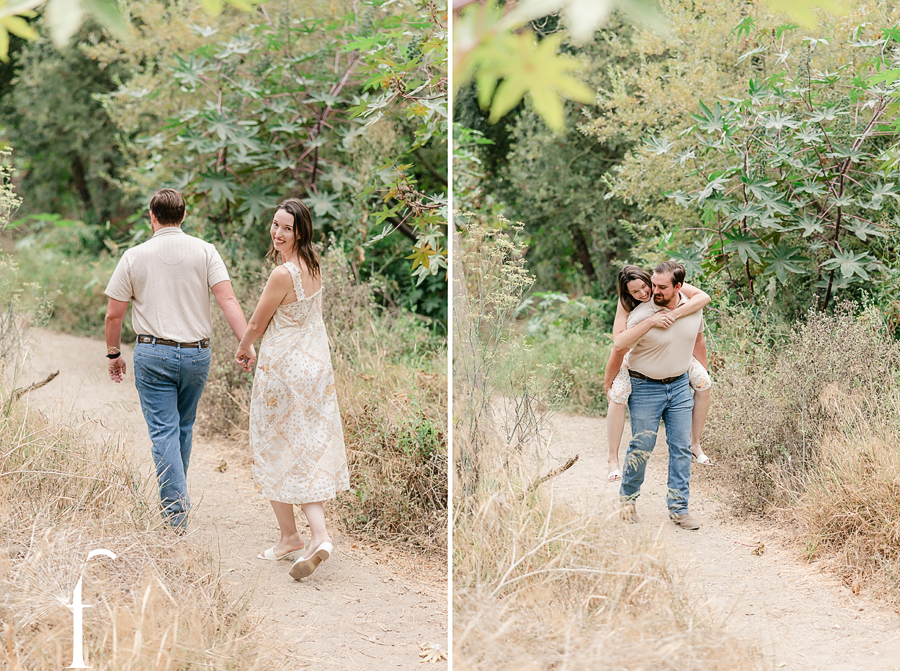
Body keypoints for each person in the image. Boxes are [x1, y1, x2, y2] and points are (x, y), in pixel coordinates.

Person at [105, 188, 253, 531]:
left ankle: (174, 518)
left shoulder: (134, 256)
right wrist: (246, 344)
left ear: (152, 217)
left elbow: (114, 315)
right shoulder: (205, 251)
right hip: (196, 355)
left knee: (163, 433)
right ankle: (178, 504)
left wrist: (114, 354)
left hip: (152, 353)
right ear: (183, 216)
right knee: (182, 428)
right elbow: (227, 300)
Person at [235, 198, 349, 580]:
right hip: (315, 368)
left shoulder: (282, 273)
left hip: (284, 371)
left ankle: (289, 537)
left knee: (273, 447)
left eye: (286, 228)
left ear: (300, 231)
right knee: (301, 450)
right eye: (275, 224)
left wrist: (243, 347)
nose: (278, 233)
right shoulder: (313, 265)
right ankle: (318, 535)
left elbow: (256, 322)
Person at [603, 265, 713, 482]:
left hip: (675, 353)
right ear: (627, 293)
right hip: (636, 355)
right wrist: (608, 382)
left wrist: (675, 313)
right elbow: (618, 346)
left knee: (704, 381)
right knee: (617, 395)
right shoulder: (627, 306)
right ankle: (612, 459)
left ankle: (696, 444)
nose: (644, 293)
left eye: (646, 287)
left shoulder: (661, 287)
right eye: (635, 292)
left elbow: (703, 298)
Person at [618, 260, 704, 529]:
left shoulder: (693, 308)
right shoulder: (642, 313)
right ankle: (628, 500)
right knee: (641, 446)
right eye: (652, 284)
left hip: (679, 386)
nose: (654, 290)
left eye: (661, 286)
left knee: (681, 447)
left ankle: (679, 508)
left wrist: (703, 374)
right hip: (645, 387)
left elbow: (698, 341)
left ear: (678, 287)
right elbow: (619, 345)